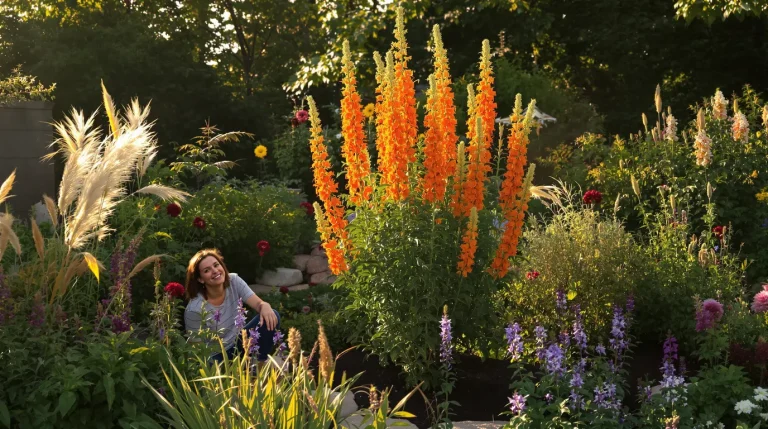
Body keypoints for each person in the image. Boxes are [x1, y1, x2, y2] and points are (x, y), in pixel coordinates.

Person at [183, 248, 280, 362]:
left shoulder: (234, 280)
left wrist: (265, 306)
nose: (215, 271)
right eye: (207, 270)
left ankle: (258, 364)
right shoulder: (194, 309)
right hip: (215, 355)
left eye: (216, 265)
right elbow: (196, 350)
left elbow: (259, 304)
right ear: (200, 279)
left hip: (238, 343)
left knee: (273, 316)